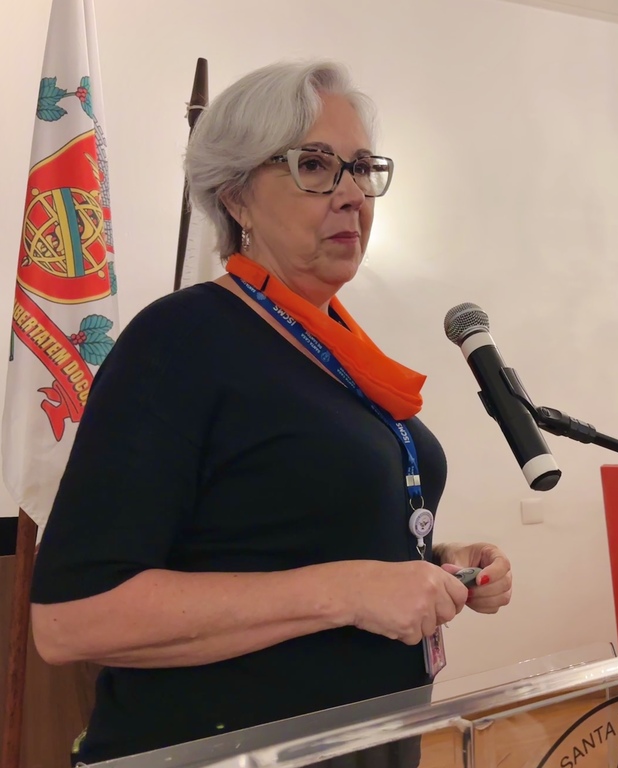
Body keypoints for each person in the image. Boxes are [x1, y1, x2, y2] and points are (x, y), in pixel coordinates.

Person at [28, 59, 513, 766]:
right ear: (237, 199)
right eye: (315, 166)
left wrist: (435, 566)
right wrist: (348, 591)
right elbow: (71, 620)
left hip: (366, 744)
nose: (352, 195)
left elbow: (278, 539)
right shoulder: (181, 340)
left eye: (361, 168)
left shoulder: (337, 349)